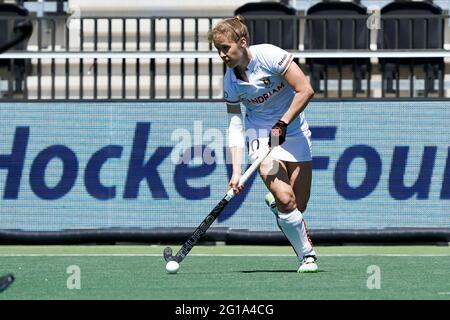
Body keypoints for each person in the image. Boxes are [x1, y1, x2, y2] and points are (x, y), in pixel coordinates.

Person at [208, 16, 318, 273]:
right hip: (259, 136)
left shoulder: (269, 55)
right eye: (218, 50)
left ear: (242, 42)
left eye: (226, 48)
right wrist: (236, 172)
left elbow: (305, 90)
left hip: (294, 131)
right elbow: (235, 125)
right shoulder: (230, 82)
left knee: (298, 207)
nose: (222, 54)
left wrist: (282, 123)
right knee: (286, 200)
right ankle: (307, 256)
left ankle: (277, 204)